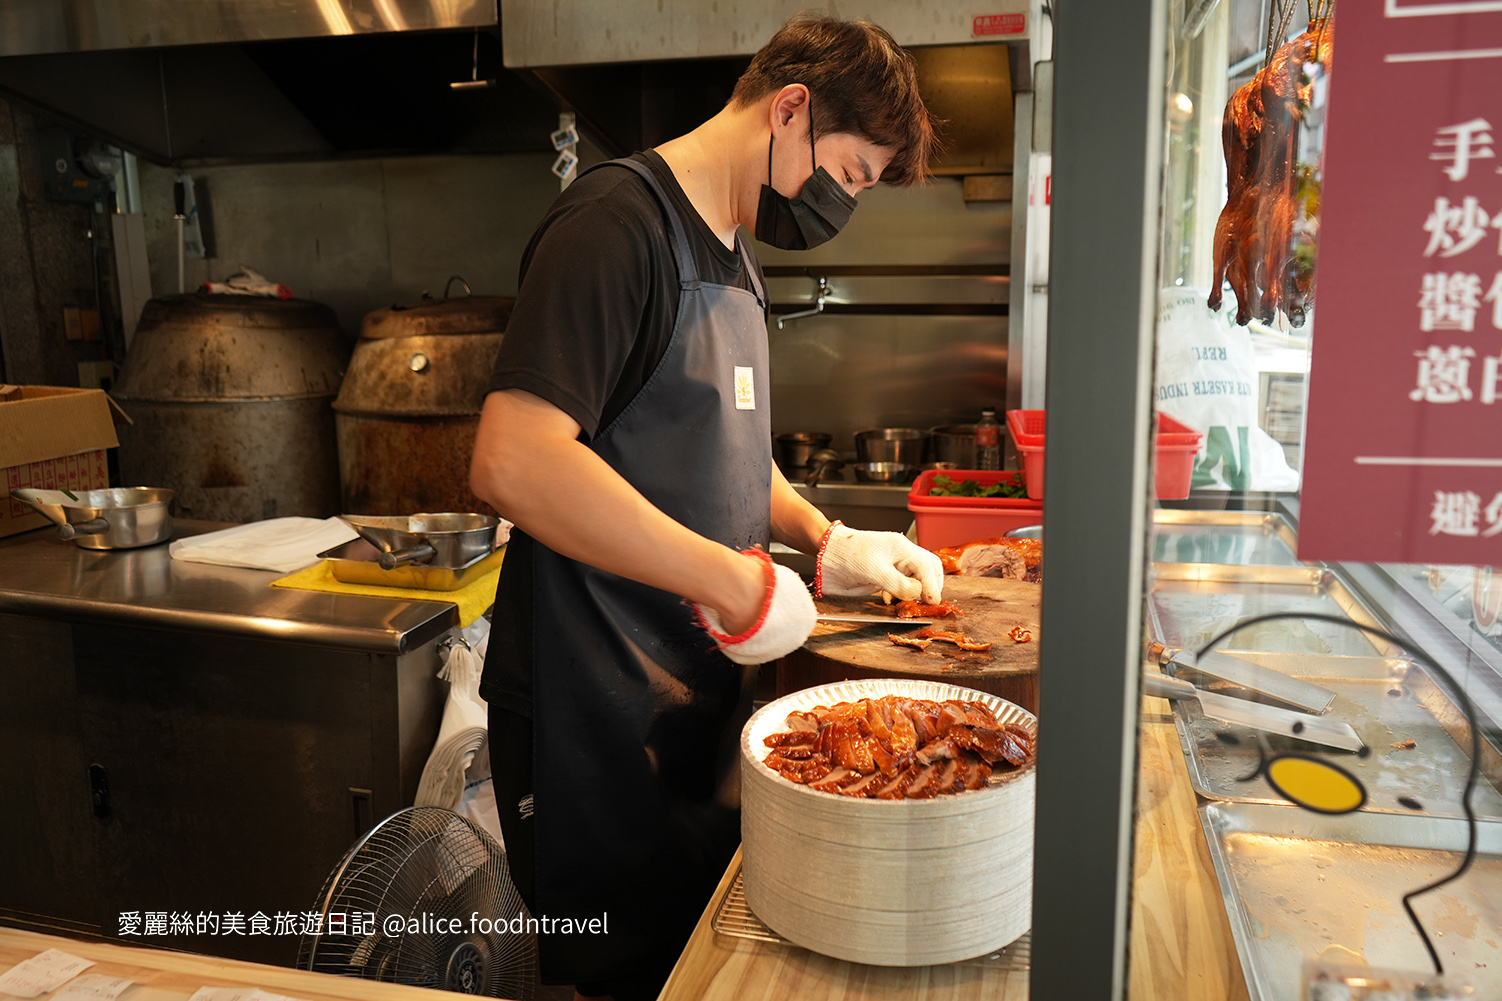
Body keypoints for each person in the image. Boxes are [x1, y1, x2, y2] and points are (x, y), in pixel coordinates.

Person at [468, 13, 942, 1000]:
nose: (837, 204)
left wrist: (827, 535)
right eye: (848, 174)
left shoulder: (730, 250)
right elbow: (514, 458)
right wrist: (731, 578)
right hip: (584, 707)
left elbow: (719, 450)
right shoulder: (614, 227)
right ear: (790, 109)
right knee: (609, 973)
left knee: (694, 965)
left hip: (684, 700)